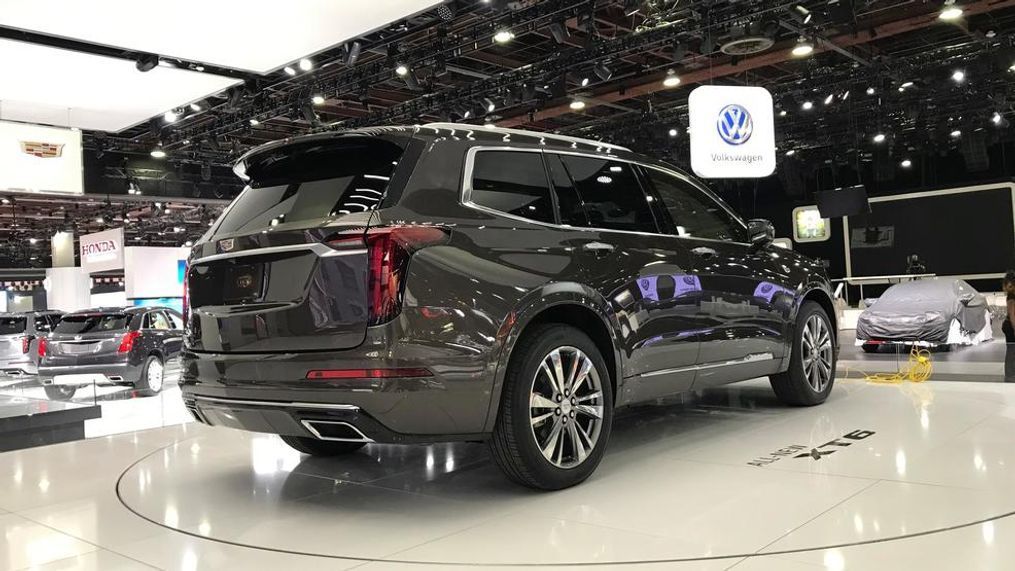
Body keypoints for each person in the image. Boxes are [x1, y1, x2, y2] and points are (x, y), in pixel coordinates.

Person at [1004, 270, 1015, 382]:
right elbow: (1012, 313)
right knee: (1012, 350)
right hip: (1010, 325)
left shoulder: (1011, 294)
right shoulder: (1011, 296)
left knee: (1012, 350)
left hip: (1010, 324)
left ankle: (1011, 373)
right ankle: (1010, 375)